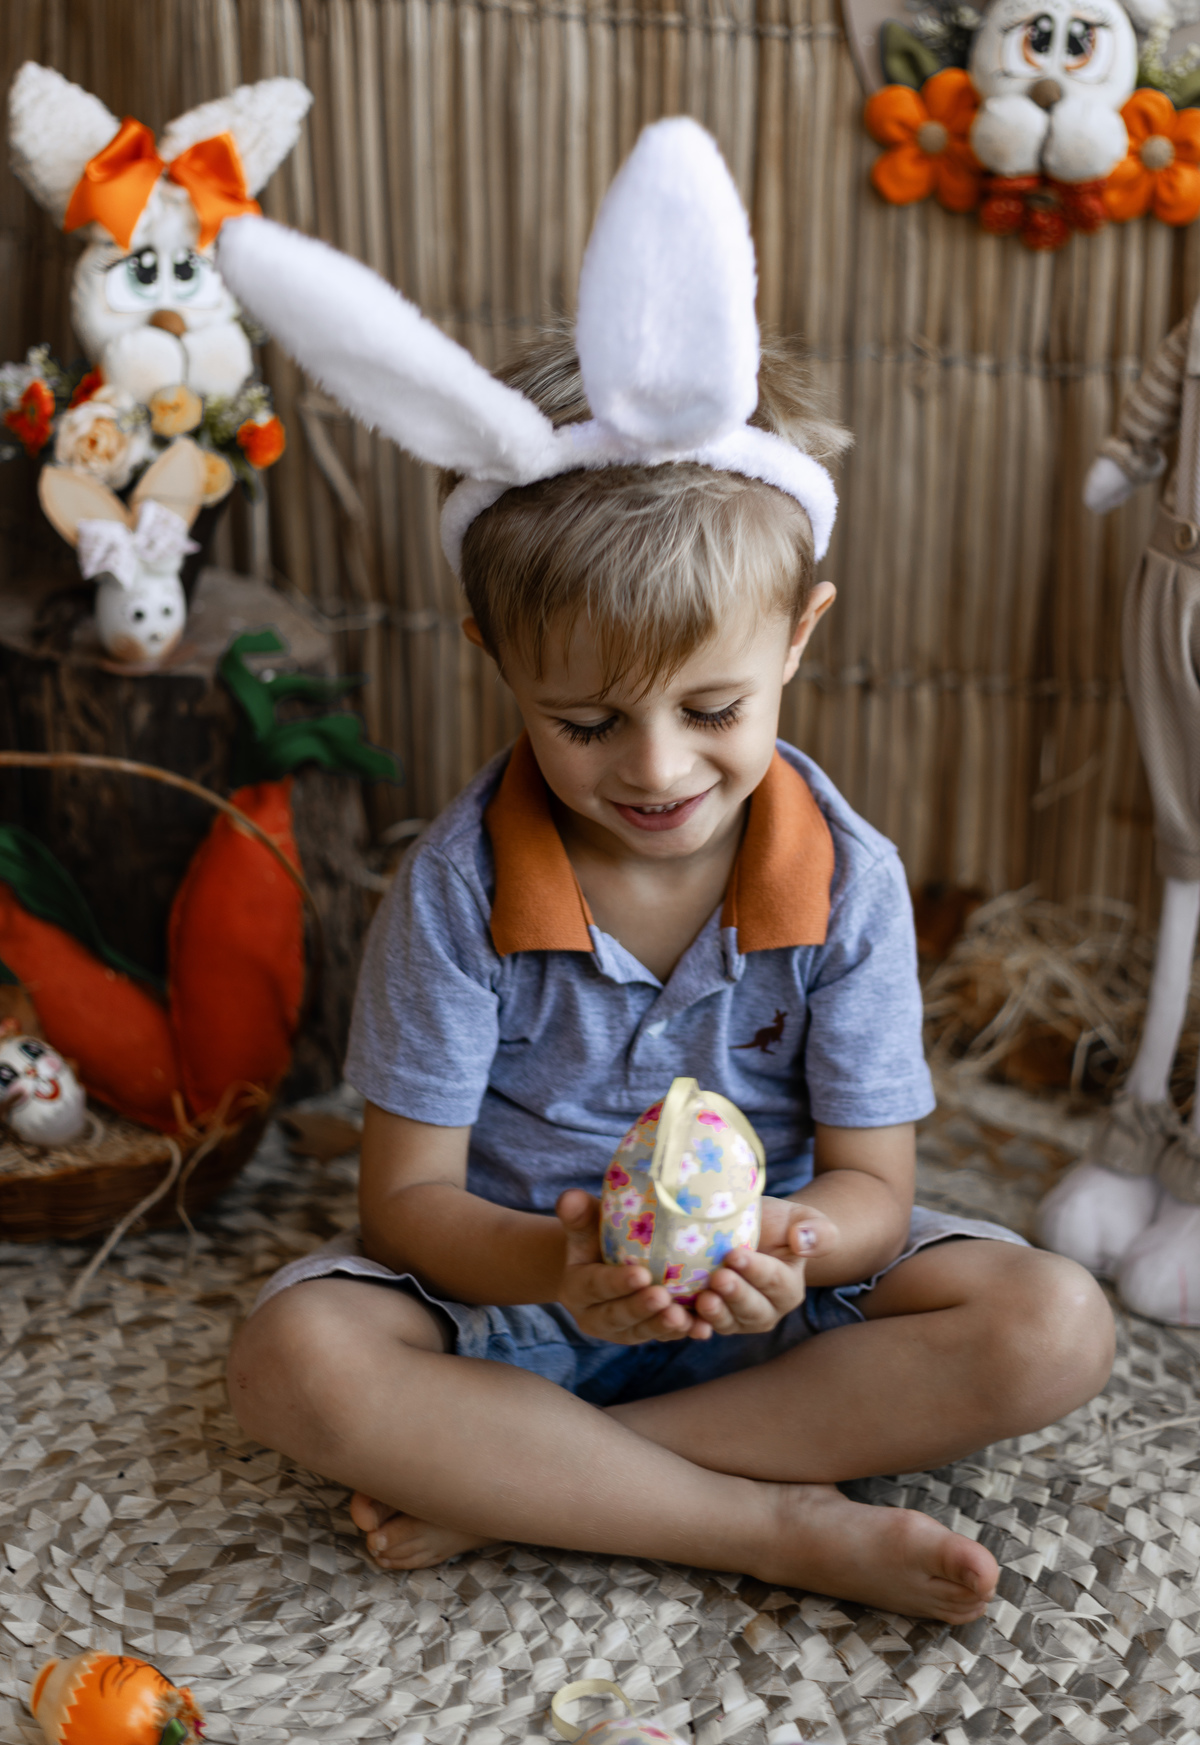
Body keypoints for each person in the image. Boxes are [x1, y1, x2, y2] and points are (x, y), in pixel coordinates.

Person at [220, 120, 1114, 1624]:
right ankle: (758, 1527)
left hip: (777, 1317)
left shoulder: (849, 881)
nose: (653, 770)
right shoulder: (454, 890)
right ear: (492, 658)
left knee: (1053, 1326)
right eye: (584, 722)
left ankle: (549, 1481)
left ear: (798, 642)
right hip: (519, 1302)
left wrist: (795, 1242)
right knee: (293, 1364)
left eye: (713, 711)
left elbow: (878, 1190)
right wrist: (561, 1274)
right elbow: (409, 1205)